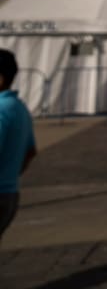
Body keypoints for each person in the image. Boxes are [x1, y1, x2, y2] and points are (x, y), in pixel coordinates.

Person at [0, 49, 37, 242]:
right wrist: (9, 175)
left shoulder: (1, 110)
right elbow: (30, 152)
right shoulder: (19, 108)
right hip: (9, 194)